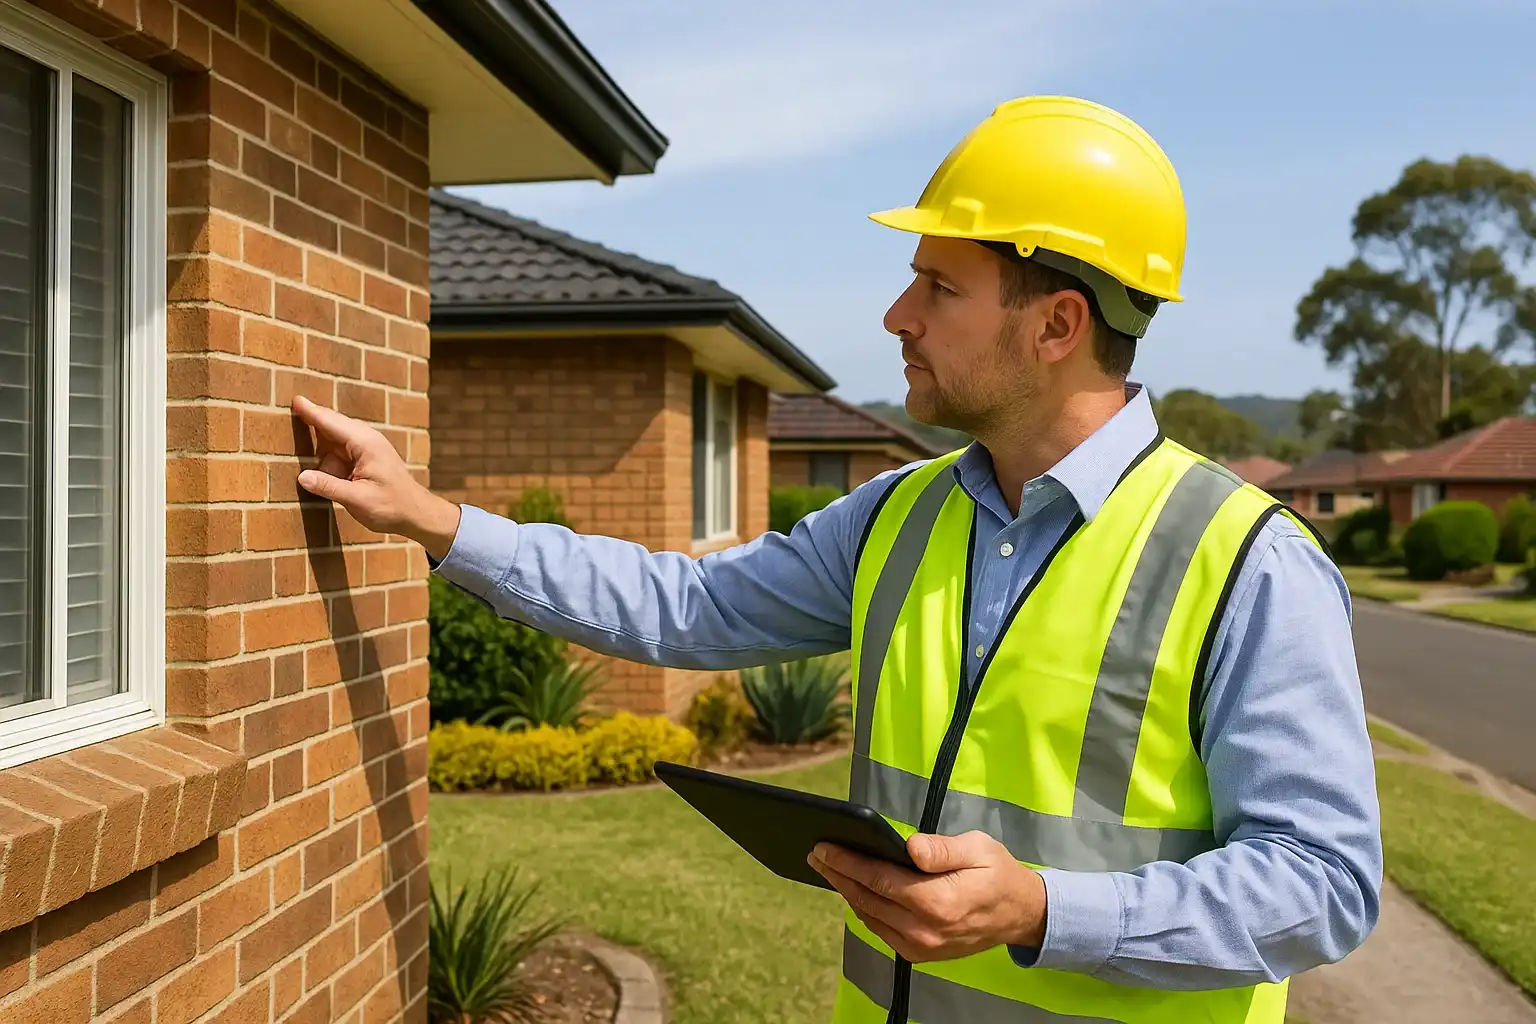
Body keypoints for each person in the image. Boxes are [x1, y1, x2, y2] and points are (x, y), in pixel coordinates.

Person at [292, 95, 1382, 1024]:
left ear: (1056, 325)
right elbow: (683, 607)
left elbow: (1325, 881)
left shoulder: (1247, 562)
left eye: (939, 288)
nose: (897, 316)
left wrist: (1047, 910)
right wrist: (433, 520)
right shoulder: (894, 517)